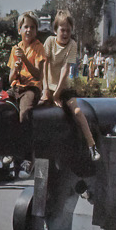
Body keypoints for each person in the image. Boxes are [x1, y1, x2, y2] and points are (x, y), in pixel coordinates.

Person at [45, 10, 101, 165]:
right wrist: (45, 90)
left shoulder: (72, 45)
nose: (65, 33)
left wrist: (56, 95)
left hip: (62, 88)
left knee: (77, 112)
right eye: (62, 30)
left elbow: (65, 70)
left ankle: (91, 145)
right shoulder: (49, 42)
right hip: (47, 86)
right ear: (55, 30)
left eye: (68, 30)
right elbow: (45, 65)